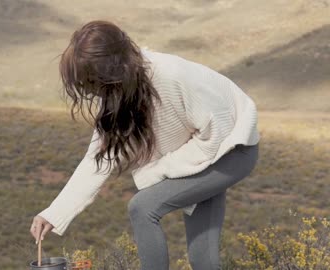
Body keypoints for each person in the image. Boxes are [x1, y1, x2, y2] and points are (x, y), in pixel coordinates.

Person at [30, 20, 260, 270]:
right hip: (201, 156)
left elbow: (220, 133)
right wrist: (53, 213)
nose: (93, 92)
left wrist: (160, 170)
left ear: (113, 69)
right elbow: (98, 160)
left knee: (143, 207)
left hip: (232, 150)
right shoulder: (119, 93)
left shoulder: (173, 75)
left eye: (94, 82)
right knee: (202, 259)